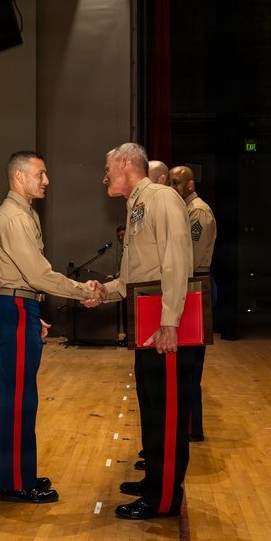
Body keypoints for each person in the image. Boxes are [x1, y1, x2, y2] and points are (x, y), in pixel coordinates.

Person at [0, 150, 104, 504]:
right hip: (15, 307)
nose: (46, 180)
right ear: (20, 177)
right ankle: (17, 482)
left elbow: (26, 278)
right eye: (41, 174)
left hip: (18, 306)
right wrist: (84, 290)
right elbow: (37, 275)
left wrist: (34, 311)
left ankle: (16, 473)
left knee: (20, 399)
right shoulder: (15, 219)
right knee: (20, 401)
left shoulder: (21, 215)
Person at [98, 142, 194, 520]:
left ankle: (164, 499)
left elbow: (176, 258)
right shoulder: (138, 204)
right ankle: (154, 481)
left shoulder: (162, 197)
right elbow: (133, 275)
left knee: (168, 413)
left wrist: (170, 320)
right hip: (147, 318)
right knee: (153, 409)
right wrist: (102, 292)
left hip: (162, 322)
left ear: (125, 163)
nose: (104, 176)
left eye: (108, 167)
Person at [168, 165, 218, 442]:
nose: (173, 188)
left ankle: (190, 427)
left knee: (188, 367)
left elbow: (192, 257)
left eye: (177, 183)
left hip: (194, 284)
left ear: (189, 185)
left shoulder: (197, 211)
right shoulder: (185, 209)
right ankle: (188, 426)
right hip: (192, 283)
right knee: (185, 365)